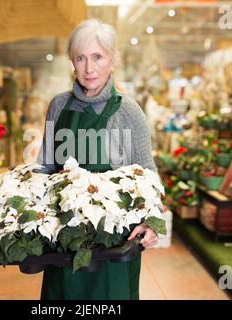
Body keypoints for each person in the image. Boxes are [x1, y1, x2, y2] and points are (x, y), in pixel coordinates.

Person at [36, 19, 159, 300]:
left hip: (113, 242)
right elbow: (45, 167)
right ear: (72, 62)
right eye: (80, 58)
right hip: (64, 237)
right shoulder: (58, 105)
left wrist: (152, 221)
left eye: (97, 57)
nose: (89, 68)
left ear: (112, 60)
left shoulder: (128, 112)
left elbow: (148, 174)